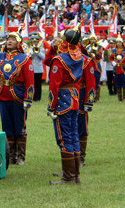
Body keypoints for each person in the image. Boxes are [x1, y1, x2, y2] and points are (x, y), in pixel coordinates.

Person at [45, 28, 94, 185]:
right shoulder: (80, 57)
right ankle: (75, 175)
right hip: (74, 98)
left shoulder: (59, 60)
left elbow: (54, 86)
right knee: (73, 137)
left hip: (62, 100)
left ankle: (68, 177)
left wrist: (51, 107)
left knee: (65, 137)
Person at [0, 31, 35, 166]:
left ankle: (21, 157)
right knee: (7, 128)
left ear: (18, 43)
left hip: (18, 97)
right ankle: (11, 156)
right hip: (3, 96)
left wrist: (28, 100)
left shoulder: (24, 58)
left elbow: (30, 82)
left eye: (13, 39)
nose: (9, 41)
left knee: (20, 127)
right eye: (8, 39)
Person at [110, 36, 125, 101]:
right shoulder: (114, 50)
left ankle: (124, 97)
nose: (118, 43)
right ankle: (119, 98)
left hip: (123, 68)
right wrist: (113, 62)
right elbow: (111, 58)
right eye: (117, 42)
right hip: (116, 69)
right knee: (117, 84)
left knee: (124, 84)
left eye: (119, 42)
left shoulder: (124, 50)